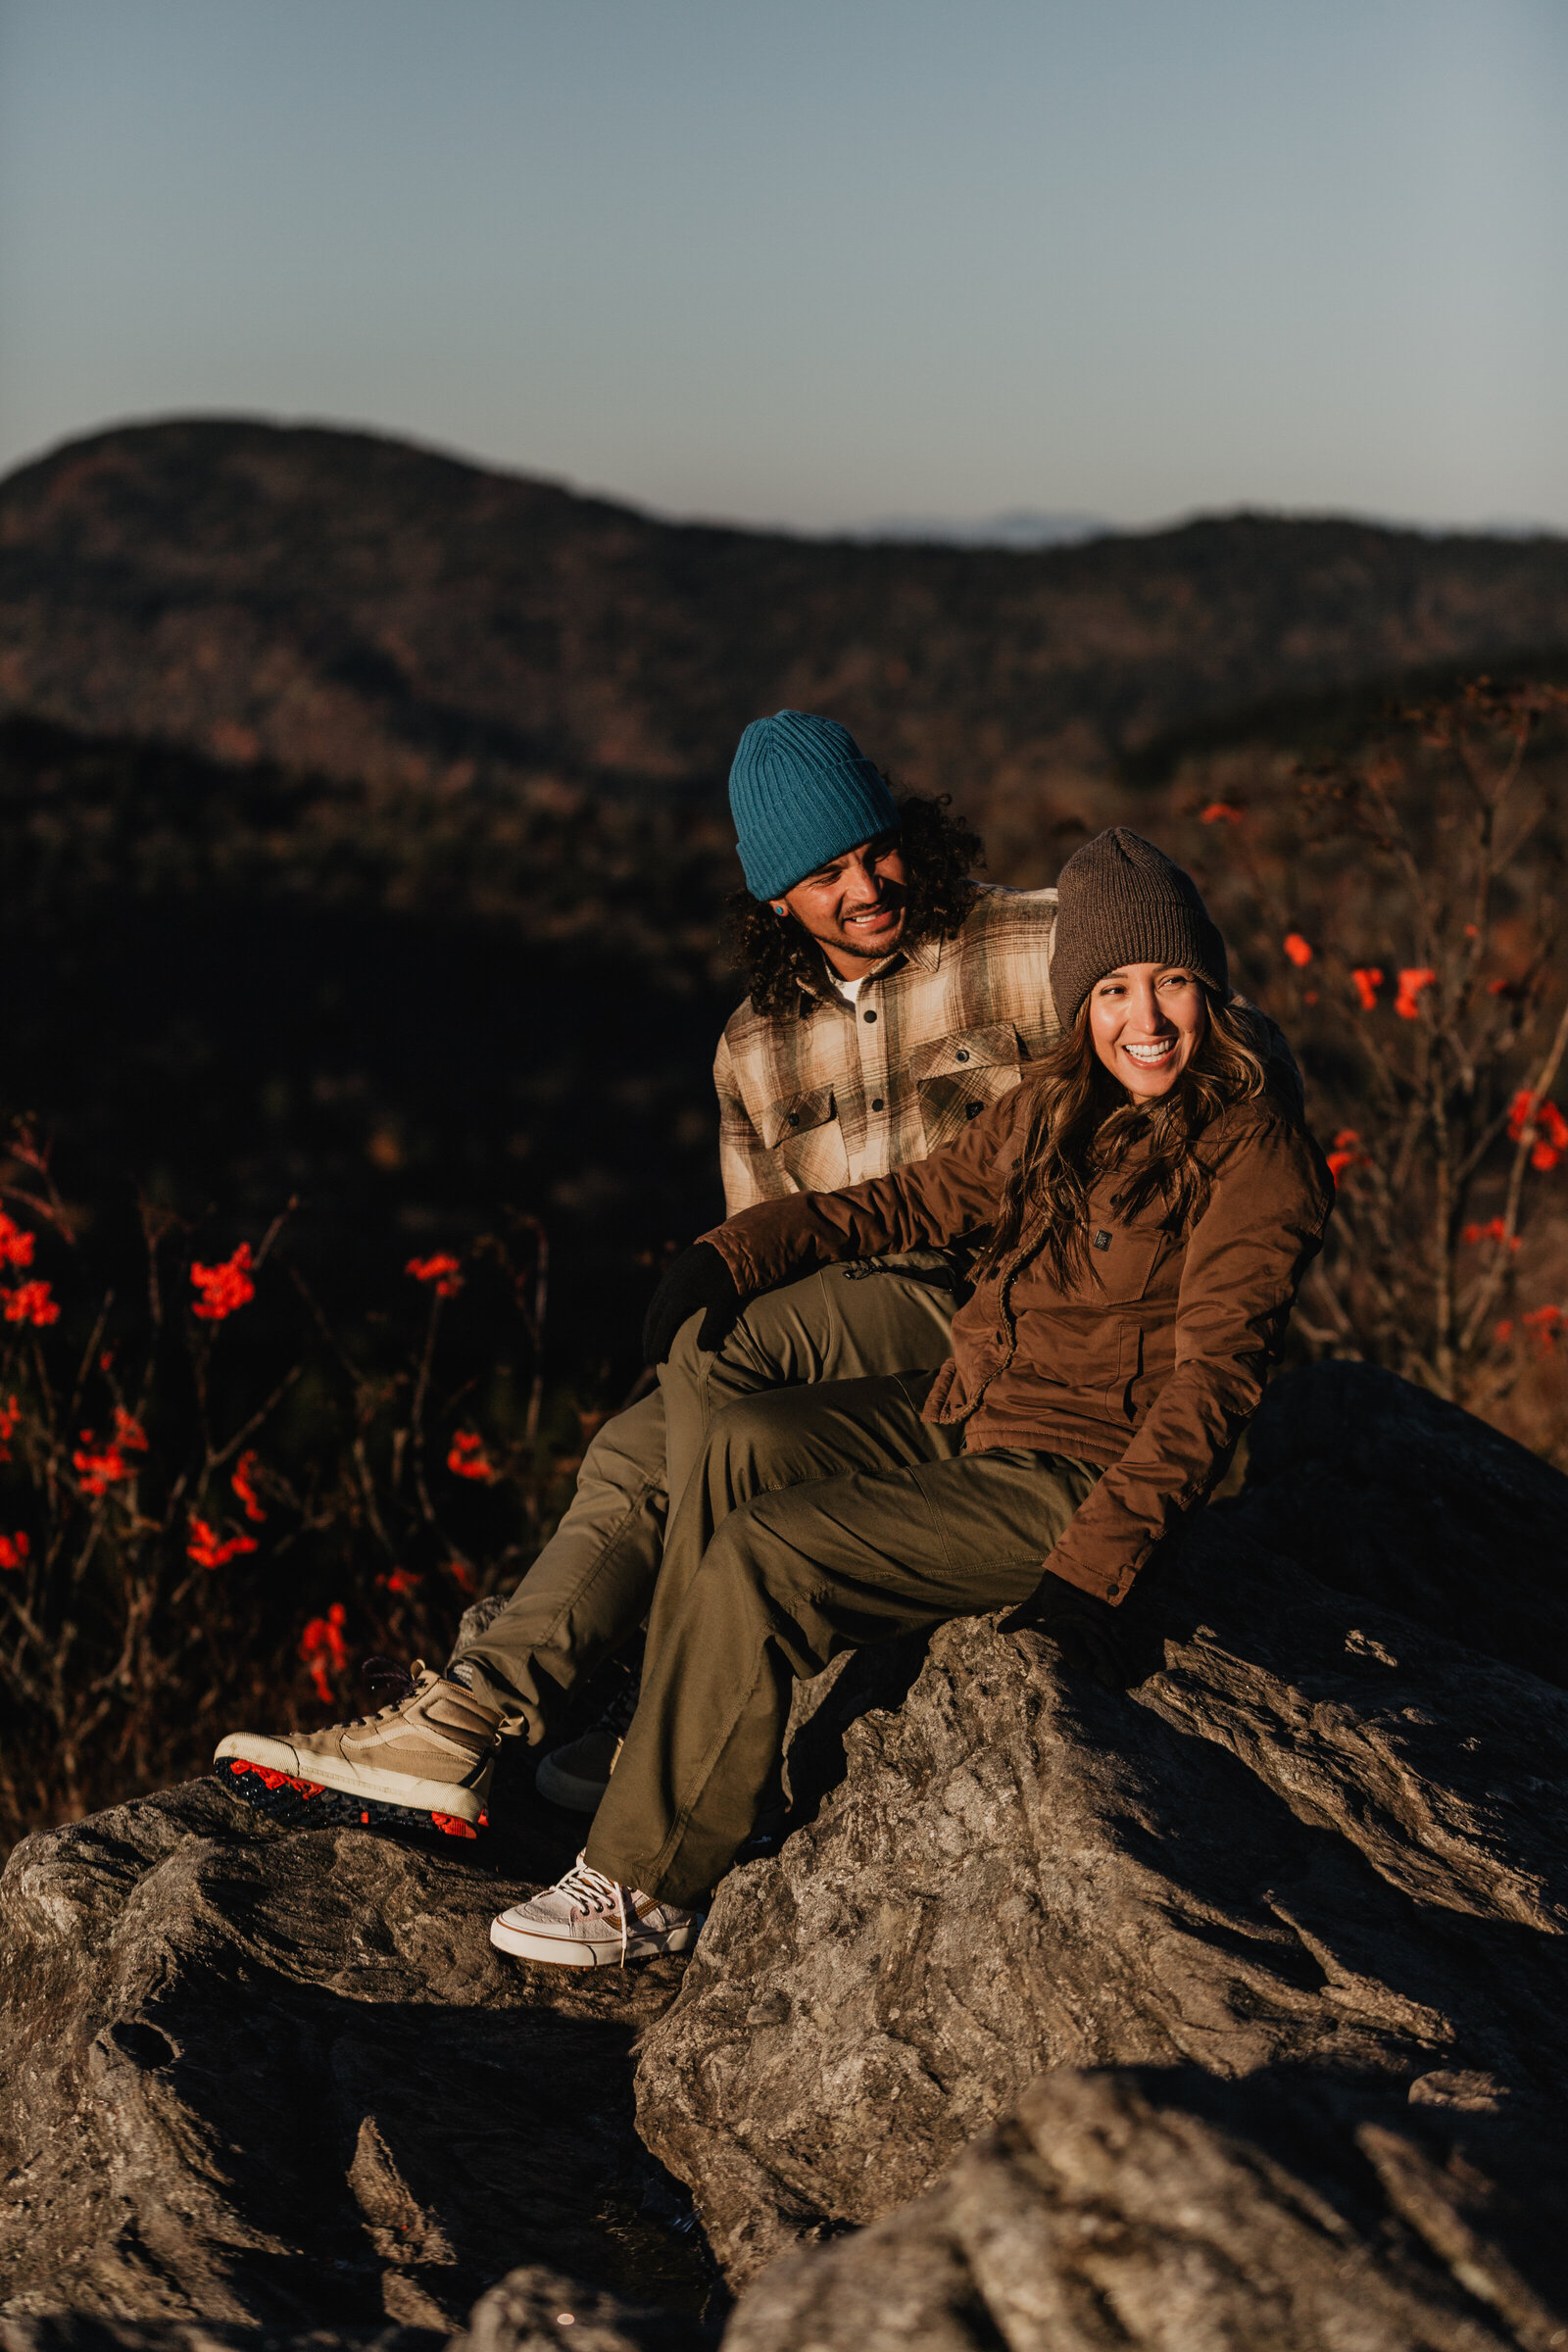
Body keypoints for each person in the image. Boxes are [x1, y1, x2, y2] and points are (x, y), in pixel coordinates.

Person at [488, 827, 1332, 1968]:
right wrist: (736, 1255)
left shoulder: (1251, 1146)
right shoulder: (1052, 1107)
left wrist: (1091, 1578)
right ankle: (676, 1760)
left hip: (1074, 1478)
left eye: (1174, 982)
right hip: (977, 1409)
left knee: (767, 1552)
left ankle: (645, 1885)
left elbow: (1213, 1383)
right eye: (1116, 988)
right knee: (740, 1442)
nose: (1146, 1018)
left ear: (1211, 990)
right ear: (1078, 1001)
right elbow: (910, 1202)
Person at [213, 710, 1063, 1838]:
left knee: (722, 1356)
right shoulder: (754, 1047)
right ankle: (473, 1718)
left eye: (875, 849)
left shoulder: (1030, 944)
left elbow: (1206, 1039)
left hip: (1008, 1309)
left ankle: (651, 1700)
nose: (865, 886)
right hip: (854, 1350)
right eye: (824, 874)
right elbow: (762, 1250)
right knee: (637, 1438)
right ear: (773, 898)